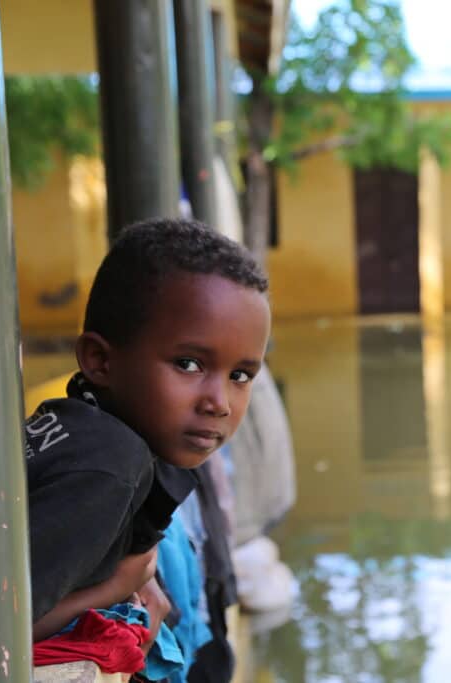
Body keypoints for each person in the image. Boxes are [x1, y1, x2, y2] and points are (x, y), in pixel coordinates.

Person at [24, 218, 271, 648]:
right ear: (100, 360)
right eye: (189, 364)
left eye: (240, 374)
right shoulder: (108, 467)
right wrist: (114, 588)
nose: (220, 402)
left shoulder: (73, 423)